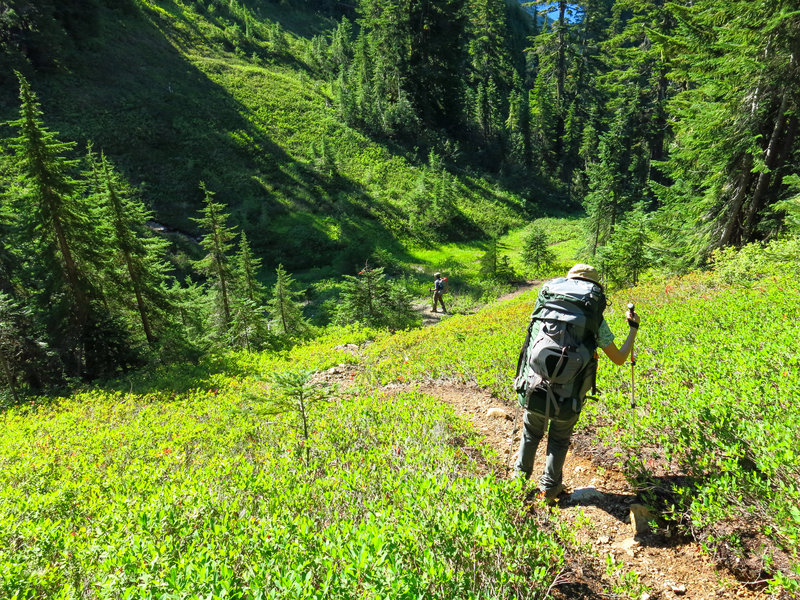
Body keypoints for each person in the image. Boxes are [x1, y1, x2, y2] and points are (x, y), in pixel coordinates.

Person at [514, 263, 640, 501]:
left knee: (530, 433)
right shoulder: (594, 318)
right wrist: (633, 329)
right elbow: (619, 358)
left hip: (535, 385)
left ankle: (518, 484)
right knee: (559, 439)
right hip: (569, 394)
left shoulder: (546, 303)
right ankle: (550, 490)